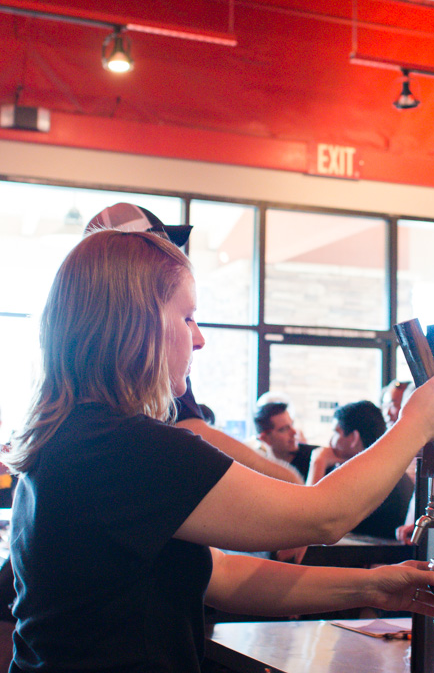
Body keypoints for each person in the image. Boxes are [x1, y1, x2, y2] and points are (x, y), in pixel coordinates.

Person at [0, 228, 434, 673]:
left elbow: (218, 575)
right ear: (137, 321)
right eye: (187, 317)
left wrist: (375, 585)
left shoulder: (78, 439)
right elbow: (319, 517)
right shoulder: (126, 448)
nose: (200, 339)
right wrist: (415, 424)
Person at [84, 203, 303, 485]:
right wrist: (286, 480)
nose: (198, 340)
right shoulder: (128, 434)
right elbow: (193, 431)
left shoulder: (80, 410)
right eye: (158, 249)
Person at [307, 400, 414, 539]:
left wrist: (318, 463)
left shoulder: (366, 478)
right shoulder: (387, 470)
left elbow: (310, 522)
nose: (330, 442)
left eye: (336, 432)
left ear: (354, 438)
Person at [253, 401, 316, 480]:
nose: (294, 432)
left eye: (292, 425)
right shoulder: (259, 469)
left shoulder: (315, 457)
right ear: (265, 438)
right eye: (284, 429)